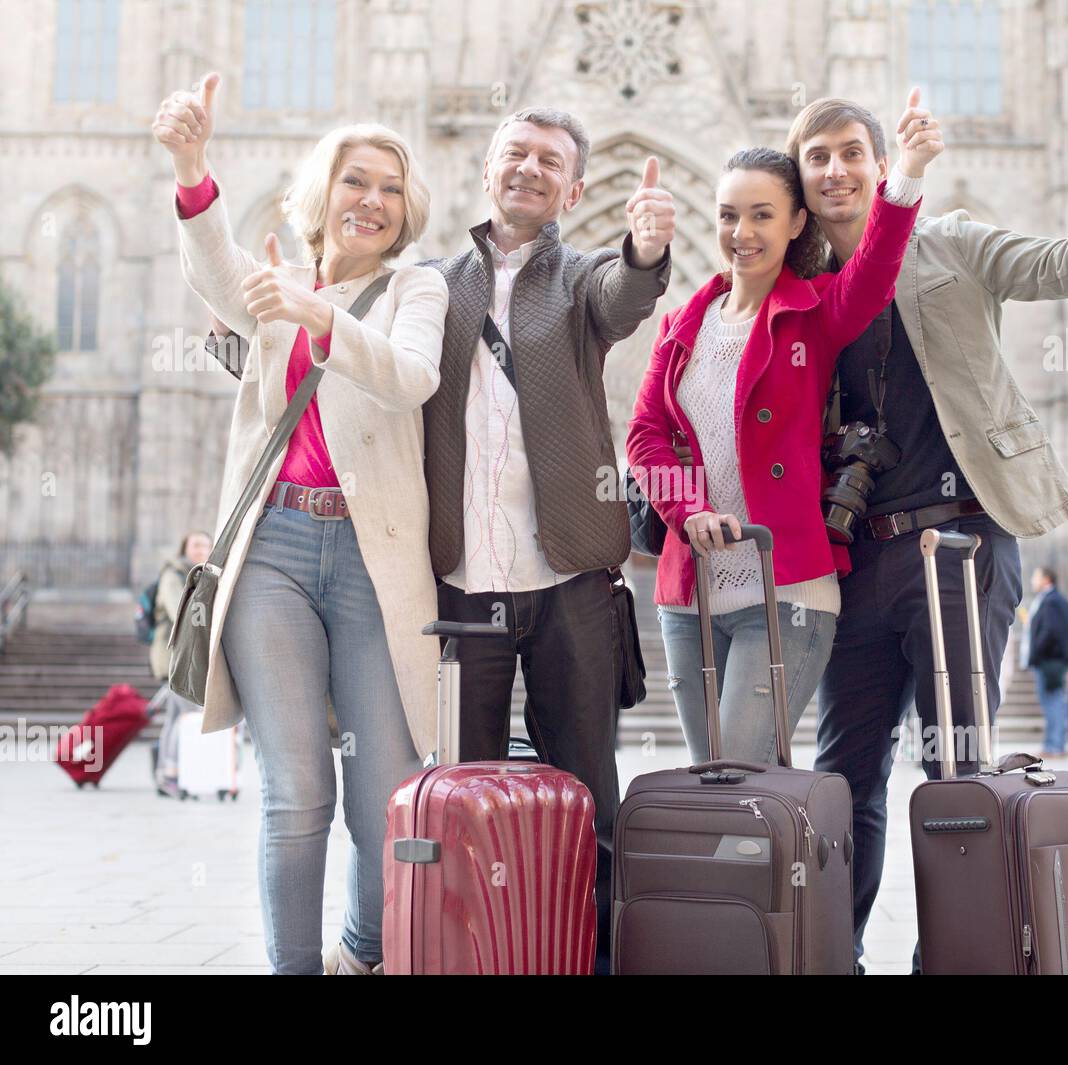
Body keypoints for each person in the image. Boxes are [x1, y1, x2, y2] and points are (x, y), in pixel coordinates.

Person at [785, 97, 1068, 970]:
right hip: (853, 559)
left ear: (877, 161)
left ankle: (961, 957)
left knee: (960, 769)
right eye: (816, 156)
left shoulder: (951, 241)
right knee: (843, 776)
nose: (835, 170)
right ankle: (838, 956)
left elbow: (1064, 265)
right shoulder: (800, 291)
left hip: (960, 542)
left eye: (851, 152)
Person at [152, 71, 449, 975]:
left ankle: (362, 949)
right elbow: (213, 267)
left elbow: (410, 377)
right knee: (298, 790)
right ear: (326, 192)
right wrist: (194, 169)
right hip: (273, 552)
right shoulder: (274, 285)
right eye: (358, 180)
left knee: (384, 799)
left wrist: (323, 314)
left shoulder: (417, 290)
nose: (374, 200)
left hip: (371, 560)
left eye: (392, 188)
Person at [416, 108, 674, 973]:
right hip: (463, 584)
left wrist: (643, 251)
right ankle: (482, 954)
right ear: (486, 171)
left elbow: (626, 296)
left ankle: (595, 956)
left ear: (573, 188)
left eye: (550, 161)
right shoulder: (433, 285)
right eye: (514, 154)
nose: (529, 169)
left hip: (569, 580)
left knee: (588, 790)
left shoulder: (580, 279)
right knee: (466, 796)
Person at [626, 92, 934, 766]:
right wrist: (688, 509)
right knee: (711, 782)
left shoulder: (815, 311)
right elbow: (645, 434)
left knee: (740, 773)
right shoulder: (684, 323)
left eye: (762, 214)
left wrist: (902, 178)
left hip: (785, 586)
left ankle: (772, 874)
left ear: (797, 221)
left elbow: (876, 268)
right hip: (690, 591)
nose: (743, 232)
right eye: (729, 215)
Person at [149, 531, 212, 683]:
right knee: (182, 706)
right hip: (175, 659)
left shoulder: (206, 576)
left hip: (192, 660)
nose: (202, 550)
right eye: (196, 545)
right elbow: (181, 614)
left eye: (206, 546)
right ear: (185, 549)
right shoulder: (173, 575)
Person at [1027, 566, 1068, 758]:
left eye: (1035, 577)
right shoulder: (1053, 600)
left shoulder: (1052, 601)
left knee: (1053, 703)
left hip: (1049, 661)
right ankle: (1052, 744)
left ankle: (1055, 746)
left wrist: (1037, 652)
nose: (1032, 581)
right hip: (1052, 660)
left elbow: (1050, 631)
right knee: (1053, 703)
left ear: (1046, 579)